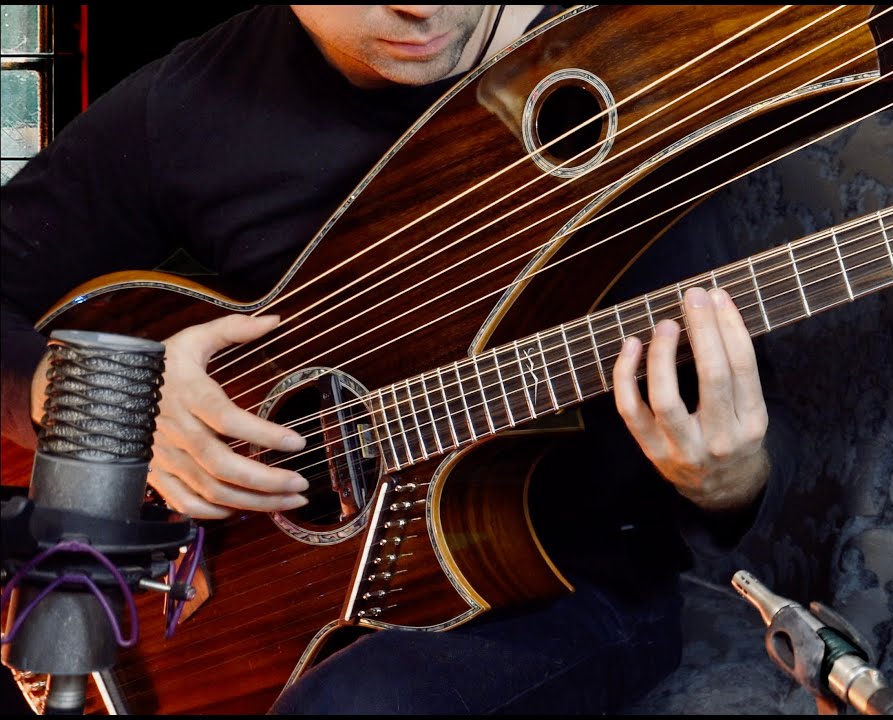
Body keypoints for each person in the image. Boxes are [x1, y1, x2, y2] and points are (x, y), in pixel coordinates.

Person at [1, 5, 795, 714]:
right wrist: (98, 399)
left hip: (556, 587)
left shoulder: (636, 63)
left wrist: (730, 480)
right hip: (251, 598)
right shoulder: (190, 103)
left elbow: (745, 438)